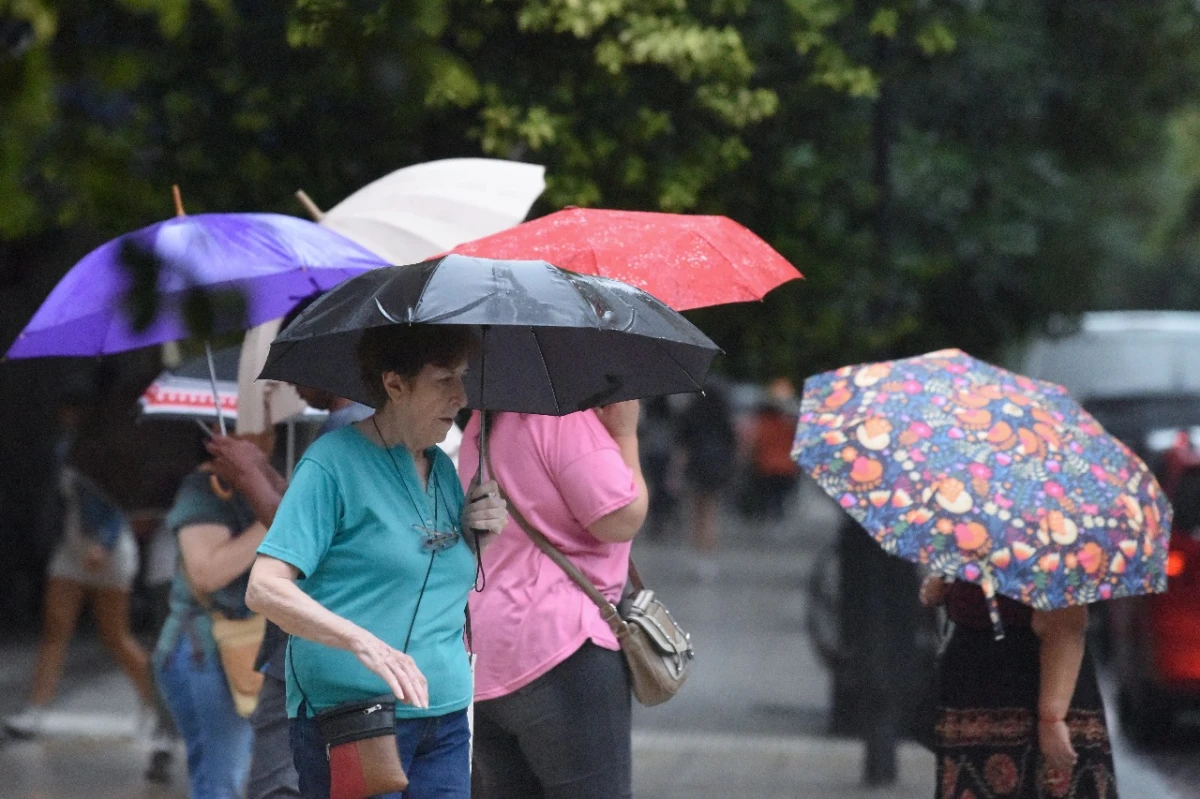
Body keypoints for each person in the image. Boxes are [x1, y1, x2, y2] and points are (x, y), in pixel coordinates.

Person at [245, 324, 507, 799]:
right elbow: (264, 588)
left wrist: (478, 540)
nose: (462, 396)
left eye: (463, 377)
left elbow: (428, 578)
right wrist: (360, 640)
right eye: (444, 380)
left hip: (445, 715)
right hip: (355, 718)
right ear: (395, 385)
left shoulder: (442, 468)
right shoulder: (332, 463)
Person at [458, 401, 648, 799]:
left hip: (487, 651)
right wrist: (625, 434)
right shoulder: (563, 421)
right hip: (563, 648)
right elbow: (619, 518)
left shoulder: (484, 422)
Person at [207, 383, 372, 799]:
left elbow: (305, 536)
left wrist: (248, 476)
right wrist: (259, 467)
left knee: (278, 784)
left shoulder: (347, 428)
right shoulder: (365, 422)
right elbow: (308, 508)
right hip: (340, 642)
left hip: (310, 646)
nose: (290, 384)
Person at [3, 389, 159, 739]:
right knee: (55, 630)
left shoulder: (110, 450)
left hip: (109, 549)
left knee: (115, 635)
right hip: (72, 547)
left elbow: (120, 501)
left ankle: (155, 706)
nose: (68, 419)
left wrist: (104, 543)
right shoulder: (64, 449)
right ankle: (36, 710)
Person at [152, 429, 275, 799]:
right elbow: (207, 573)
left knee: (227, 777)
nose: (268, 433)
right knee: (220, 782)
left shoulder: (256, 484)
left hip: (241, 648)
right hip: (205, 651)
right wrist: (275, 516)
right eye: (257, 420)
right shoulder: (201, 489)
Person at [920, 576, 1118, 798]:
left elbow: (1065, 624)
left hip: (1035, 682)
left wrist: (1052, 719)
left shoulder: (1047, 556)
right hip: (978, 681)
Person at [676, 385, 736, 580]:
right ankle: (708, 556)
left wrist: (676, 473)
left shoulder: (691, 414)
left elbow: (683, 447)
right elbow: (732, 444)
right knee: (711, 512)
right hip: (716, 468)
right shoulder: (723, 416)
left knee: (695, 511)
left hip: (696, 467)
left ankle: (697, 552)